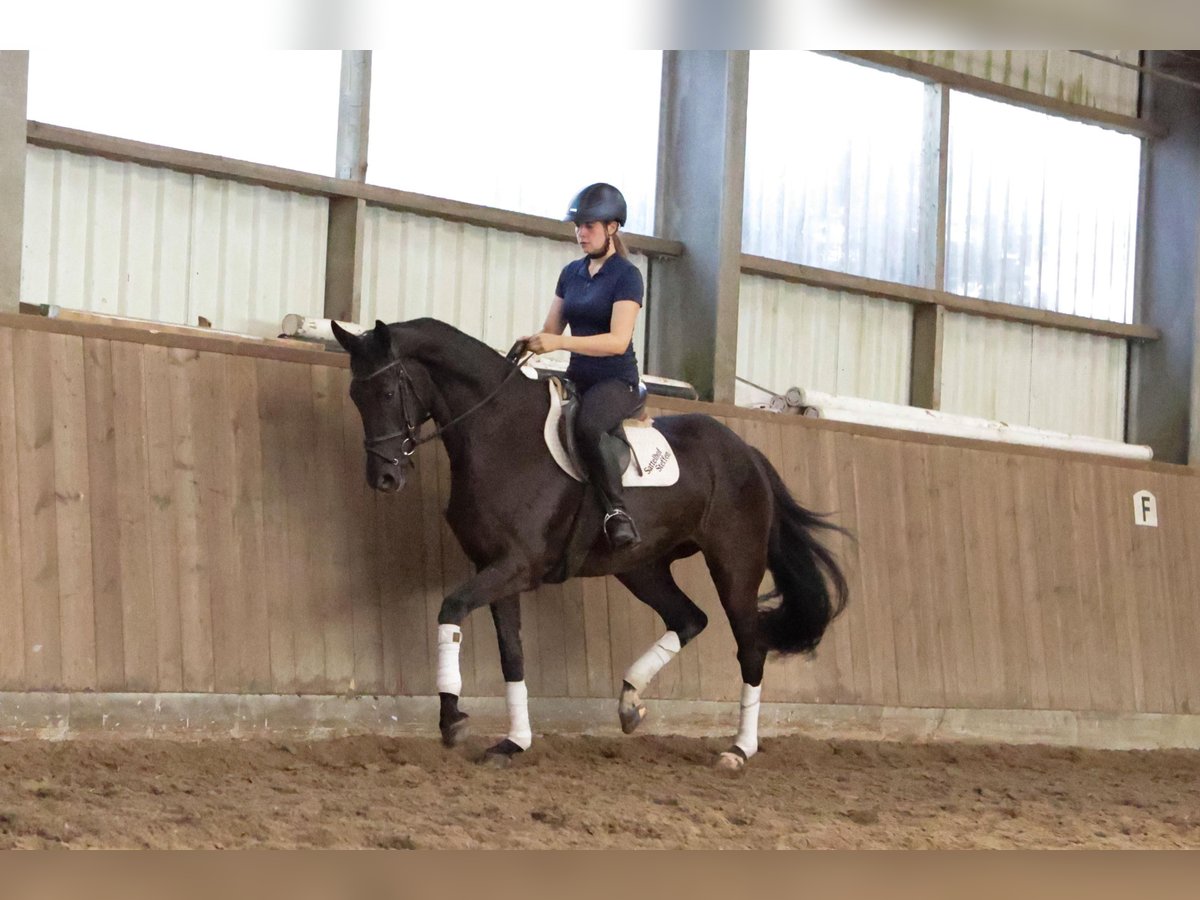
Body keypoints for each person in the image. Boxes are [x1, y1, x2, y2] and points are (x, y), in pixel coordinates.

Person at [523, 183, 644, 550]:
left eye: (589, 226)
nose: (581, 233)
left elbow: (617, 341)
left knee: (589, 426)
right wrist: (529, 344)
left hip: (615, 381)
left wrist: (559, 343)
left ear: (612, 228)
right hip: (577, 377)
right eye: (578, 226)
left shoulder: (627, 276)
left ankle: (616, 512)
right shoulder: (571, 273)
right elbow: (551, 329)